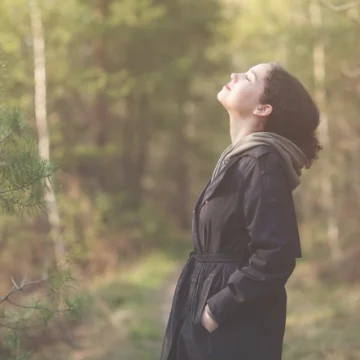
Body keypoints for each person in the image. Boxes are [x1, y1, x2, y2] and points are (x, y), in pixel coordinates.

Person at [160, 62, 321, 360]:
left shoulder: (261, 163)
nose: (234, 75)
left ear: (263, 108)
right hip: (210, 305)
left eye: (249, 77)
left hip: (235, 322)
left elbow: (276, 255)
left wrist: (218, 308)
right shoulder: (238, 160)